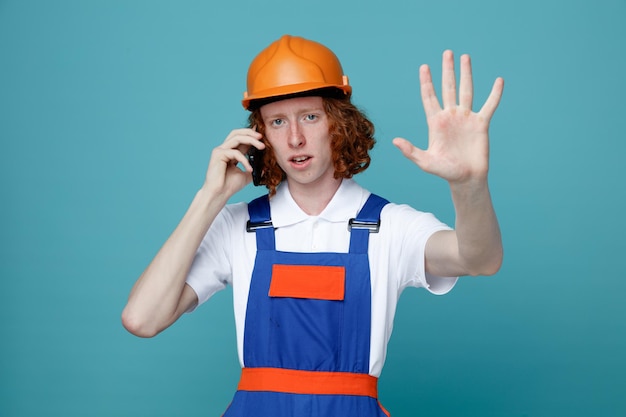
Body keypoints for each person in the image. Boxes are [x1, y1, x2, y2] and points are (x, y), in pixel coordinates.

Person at [122, 34, 504, 416]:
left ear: (338, 124)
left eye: (310, 116)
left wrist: (468, 185)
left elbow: (478, 259)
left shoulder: (390, 226)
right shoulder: (237, 227)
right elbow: (142, 319)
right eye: (277, 121)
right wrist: (209, 199)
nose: (295, 138)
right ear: (261, 137)